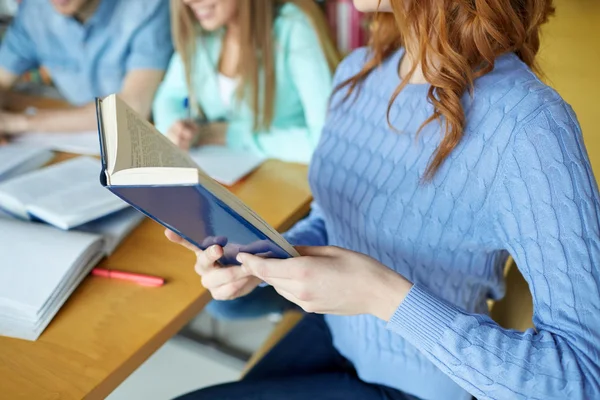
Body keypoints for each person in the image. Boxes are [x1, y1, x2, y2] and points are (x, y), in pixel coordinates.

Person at [166, 0, 600, 399]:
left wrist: (381, 294)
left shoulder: (531, 125)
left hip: (417, 386)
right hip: (338, 337)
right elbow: (333, 220)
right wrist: (258, 260)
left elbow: (583, 377)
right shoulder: (358, 71)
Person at [152, 0, 339, 164]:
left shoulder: (293, 27)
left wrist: (229, 135)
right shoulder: (203, 32)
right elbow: (168, 97)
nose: (189, 1)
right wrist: (176, 130)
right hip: (223, 177)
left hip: (284, 183)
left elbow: (325, 142)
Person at [0, 0, 172, 136]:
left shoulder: (147, 6)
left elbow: (133, 108)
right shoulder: (35, 10)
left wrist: (18, 123)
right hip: (74, 139)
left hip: (145, 139)